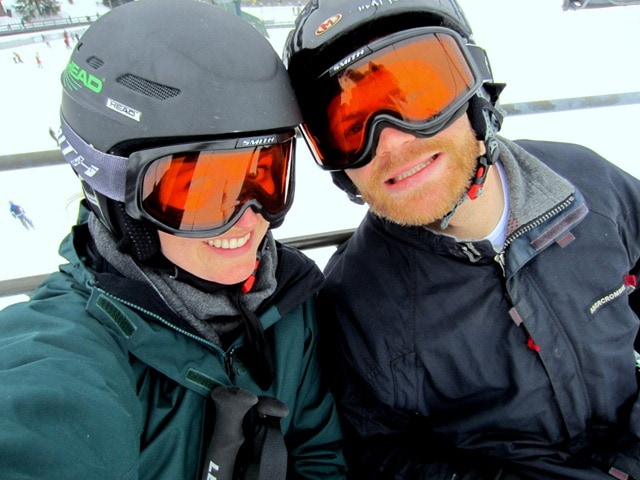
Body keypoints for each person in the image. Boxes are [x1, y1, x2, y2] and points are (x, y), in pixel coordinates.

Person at [284, 0, 640, 478]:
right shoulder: (358, 302)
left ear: (474, 96)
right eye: (351, 127)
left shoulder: (588, 186)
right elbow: (381, 450)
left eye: (418, 96)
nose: (391, 142)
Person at [0, 1, 347, 479]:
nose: (247, 220)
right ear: (117, 195)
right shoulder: (70, 349)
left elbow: (320, 453)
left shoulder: (286, 302)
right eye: (200, 190)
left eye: (265, 175)